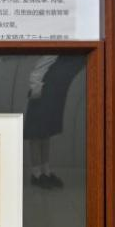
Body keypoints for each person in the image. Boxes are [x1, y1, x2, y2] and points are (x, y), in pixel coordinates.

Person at [23, 55, 85, 189]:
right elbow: (40, 66)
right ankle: (36, 174)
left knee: (46, 133)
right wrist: (36, 88)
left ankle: (46, 171)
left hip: (54, 91)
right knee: (36, 134)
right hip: (41, 90)